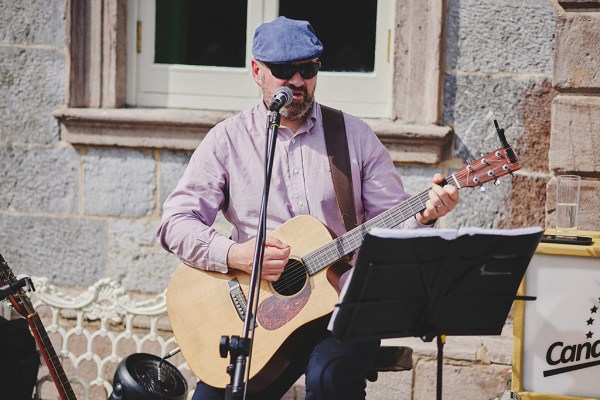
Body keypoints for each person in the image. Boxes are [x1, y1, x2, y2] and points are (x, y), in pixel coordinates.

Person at [157, 16, 459, 400]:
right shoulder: (228, 140)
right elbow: (175, 223)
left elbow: (394, 230)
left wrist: (428, 215)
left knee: (330, 379)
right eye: (284, 70)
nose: (298, 82)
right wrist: (235, 254)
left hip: (343, 310)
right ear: (256, 71)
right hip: (257, 314)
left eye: (309, 69)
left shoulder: (354, 136)